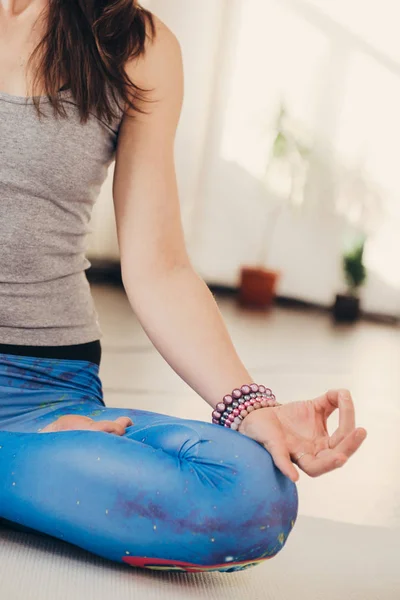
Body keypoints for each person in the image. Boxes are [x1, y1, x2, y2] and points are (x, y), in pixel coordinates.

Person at [0, 0, 367, 574]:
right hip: (46, 428)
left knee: (252, 497)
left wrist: (252, 406)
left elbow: (159, 264)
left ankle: (32, 458)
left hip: (45, 394)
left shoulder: (135, 43)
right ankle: (32, 469)